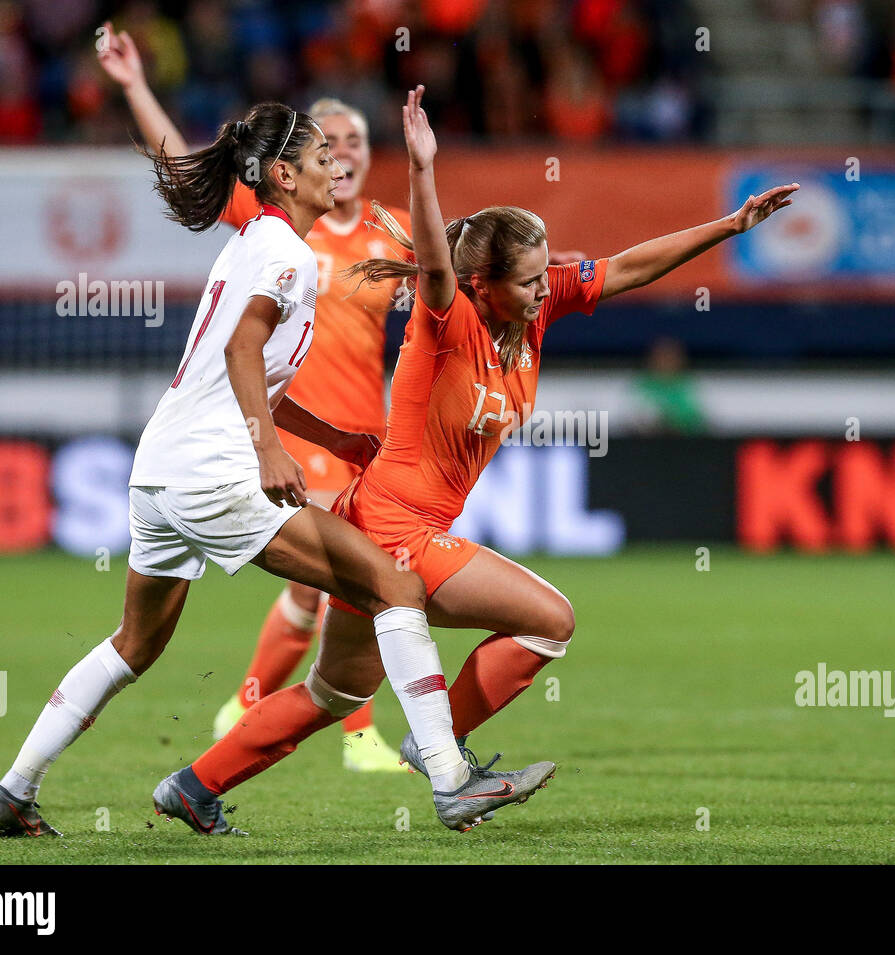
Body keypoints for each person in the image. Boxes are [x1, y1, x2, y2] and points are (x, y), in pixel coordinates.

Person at [157, 86, 798, 828]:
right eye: (527, 280)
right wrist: (424, 172)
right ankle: (443, 752)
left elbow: (625, 268)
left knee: (334, 695)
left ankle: (192, 784)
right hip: (397, 526)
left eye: (542, 276)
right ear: (481, 284)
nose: (542, 288)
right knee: (549, 620)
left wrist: (732, 224)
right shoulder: (447, 317)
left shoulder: (538, 308)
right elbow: (433, 261)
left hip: (380, 518)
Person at [0, 99, 554, 838]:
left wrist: (332, 437)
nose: (335, 167)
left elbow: (251, 373)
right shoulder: (286, 254)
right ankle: (449, 775)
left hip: (159, 469)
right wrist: (267, 448)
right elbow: (241, 351)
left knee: (135, 643)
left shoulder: (254, 241)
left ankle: (14, 789)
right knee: (395, 582)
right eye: (320, 159)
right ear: (283, 174)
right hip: (217, 471)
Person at [95, 22, 585, 770]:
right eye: (329, 143)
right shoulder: (278, 230)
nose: (344, 151)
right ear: (294, 167)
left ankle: (279, 723)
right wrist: (133, 86)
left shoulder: (389, 240)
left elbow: (448, 266)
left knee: (343, 611)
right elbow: (189, 165)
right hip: (292, 436)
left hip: (364, 438)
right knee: (348, 591)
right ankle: (373, 737)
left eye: (353, 139)